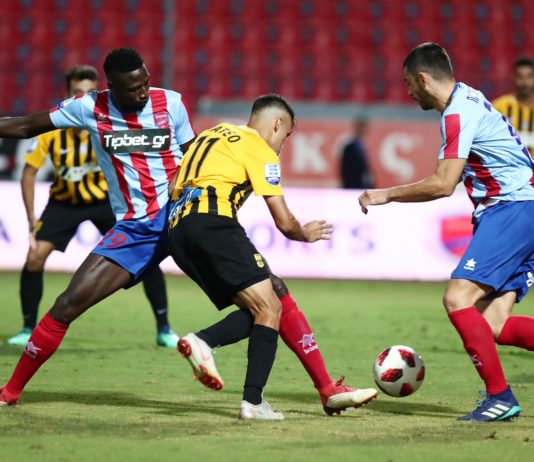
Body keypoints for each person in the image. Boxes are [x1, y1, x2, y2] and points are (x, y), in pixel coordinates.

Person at [0, 48, 196, 406]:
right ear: (112, 87)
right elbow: (27, 126)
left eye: (146, 83)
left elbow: (195, 157)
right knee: (66, 304)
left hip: (181, 218)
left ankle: (177, 333)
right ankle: (10, 391)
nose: (143, 92)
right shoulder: (89, 107)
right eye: (133, 88)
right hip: (132, 226)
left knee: (259, 290)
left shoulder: (171, 103)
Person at [358, 43, 534, 422]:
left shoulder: (457, 113)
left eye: (408, 83)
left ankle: (500, 397)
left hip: (514, 209)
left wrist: (385, 194)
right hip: (520, 210)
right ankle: (500, 396)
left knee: (457, 298)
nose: (408, 92)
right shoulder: (469, 97)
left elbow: (443, 183)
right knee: (493, 323)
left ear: (423, 79)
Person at [172, 97, 377, 418]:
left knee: (271, 297)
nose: (283, 146)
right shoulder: (259, 147)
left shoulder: (212, 134)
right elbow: (284, 222)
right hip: (213, 221)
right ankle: (235, 380)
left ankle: (326, 389)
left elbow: (174, 183)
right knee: (268, 309)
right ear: (277, 123)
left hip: (177, 232)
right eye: (287, 136)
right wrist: (304, 233)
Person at [7, 65, 178, 349]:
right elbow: (29, 172)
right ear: (67, 94)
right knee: (35, 256)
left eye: (88, 92)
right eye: (77, 92)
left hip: (105, 201)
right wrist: (31, 218)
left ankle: (164, 328)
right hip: (64, 201)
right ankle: (27, 328)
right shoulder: (53, 131)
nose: (82, 97)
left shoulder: (108, 122)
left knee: (146, 257)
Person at [492, 57, 534, 156]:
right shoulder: (499, 106)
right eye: (520, 77)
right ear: (514, 78)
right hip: (508, 165)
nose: (525, 82)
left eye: (529, 76)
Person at [340, 118, 373, 189]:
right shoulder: (349, 147)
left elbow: (365, 168)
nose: (364, 129)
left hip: (362, 185)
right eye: (362, 127)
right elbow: (345, 169)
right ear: (357, 127)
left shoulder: (362, 145)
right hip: (353, 186)